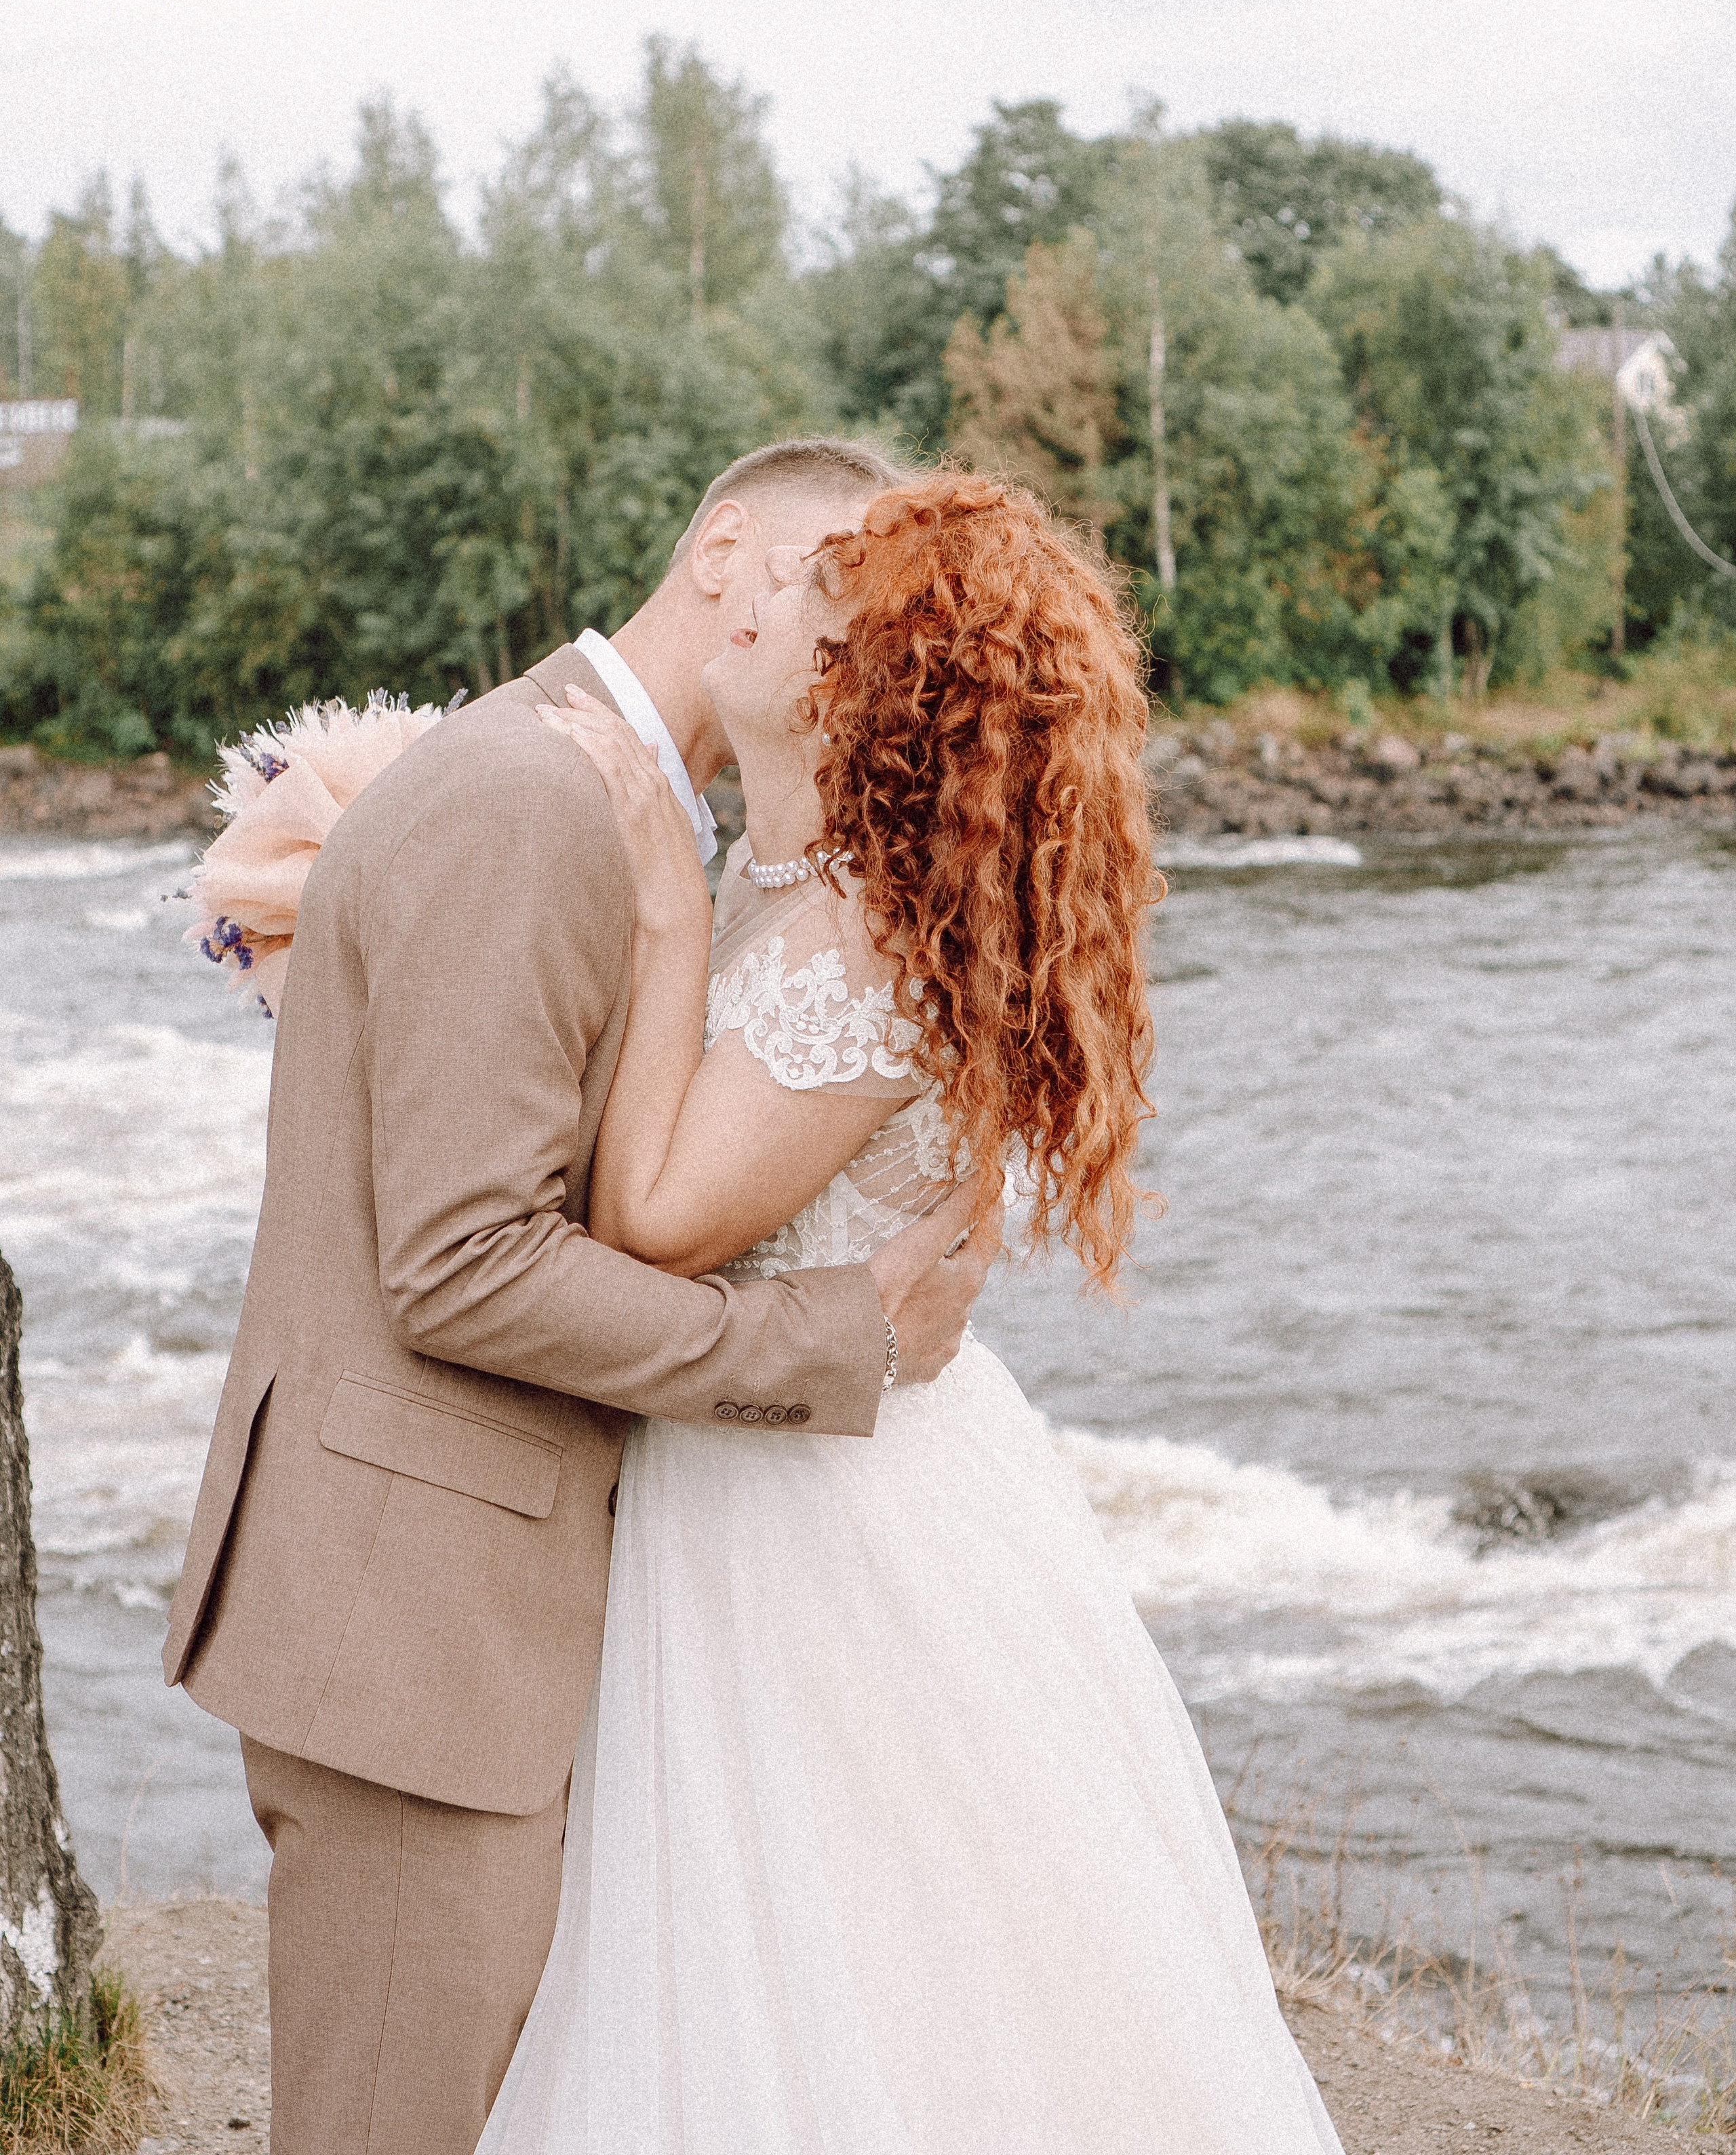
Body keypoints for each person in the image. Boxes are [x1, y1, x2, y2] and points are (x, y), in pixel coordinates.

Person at [483, 472, 1343, 2154]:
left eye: (812, 590)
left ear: (868, 681)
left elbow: (652, 1218)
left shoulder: (869, 939)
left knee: (871, 1957)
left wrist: (660, 893)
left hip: (826, 1523)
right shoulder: (801, 887)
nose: (750, 595)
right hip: (772, 1464)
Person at [163, 437, 1002, 2155]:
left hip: (496, 1618)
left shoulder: (640, 812)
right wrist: (832, 1335)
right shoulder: (537, 793)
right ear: (722, 552)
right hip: (418, 1632)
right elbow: (464, 1265)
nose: (823, 631)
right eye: (813, 586)